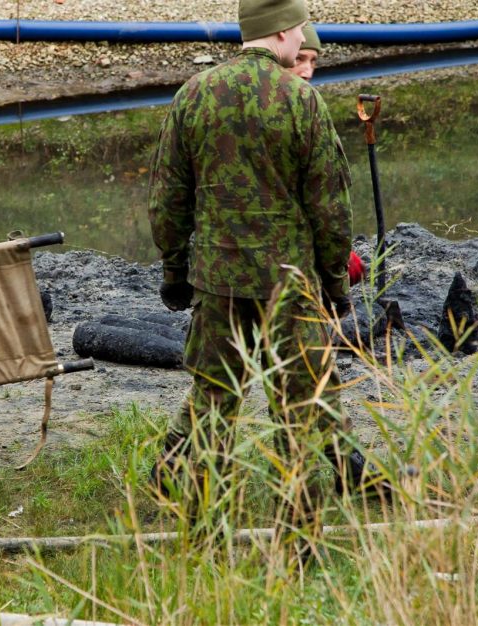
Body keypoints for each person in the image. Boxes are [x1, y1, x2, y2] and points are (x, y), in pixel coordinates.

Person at [148, 0, 356, 528]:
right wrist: (335, 284)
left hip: (218, 283)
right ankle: (300, 531)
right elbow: (330, 206)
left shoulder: (193, 95)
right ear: (285, 31)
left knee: (215, 398)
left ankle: (200, 521)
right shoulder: (300, 101)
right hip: (291, 287)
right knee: (300, 406)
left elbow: (168, 198)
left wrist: (174, 272)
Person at [292, 24, 368, 285]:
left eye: (313, 61)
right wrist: (339, 265)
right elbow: (326, 203)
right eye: (299, 58)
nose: (307, 71)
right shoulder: (306, 113)